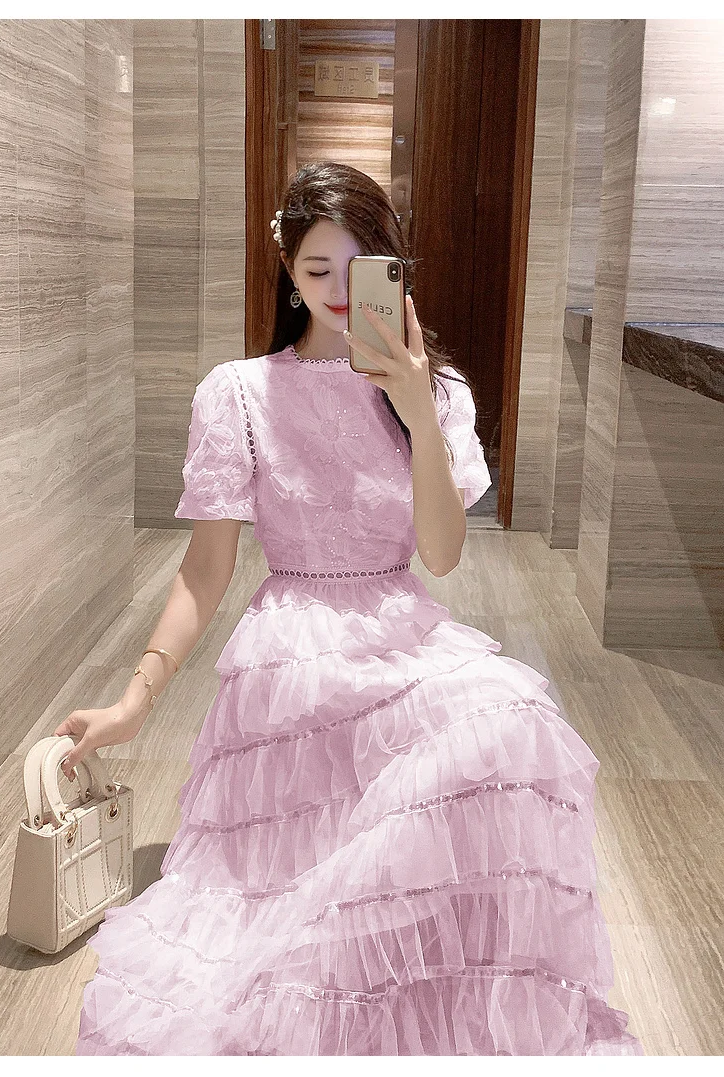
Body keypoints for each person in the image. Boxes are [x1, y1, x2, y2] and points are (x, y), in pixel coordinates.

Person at [56, 161, 644, 1056]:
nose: (337, 290)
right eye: (316, 268)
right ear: (287, 273)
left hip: (399, 629)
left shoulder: (437, 394)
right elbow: (205, 570)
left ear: (391, 269)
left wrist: (412, 401)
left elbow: (441, 555)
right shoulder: (239, 392)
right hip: (291, 654)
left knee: (516, 717)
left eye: (359, 266)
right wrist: (136, 699)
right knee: (298, 911)